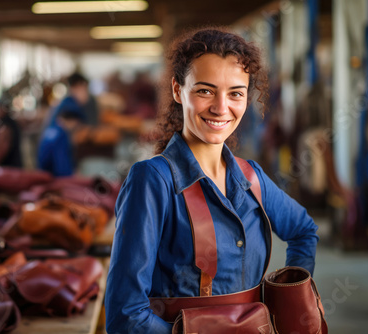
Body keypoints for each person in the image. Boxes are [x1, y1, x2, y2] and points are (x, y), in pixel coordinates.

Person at [104, 27, 320, 333]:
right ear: (178, 90)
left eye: (235, 93)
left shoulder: (251, 178)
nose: (221, 108)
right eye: (205, 90)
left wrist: (289, 305)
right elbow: (125, 315)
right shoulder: (152, 181)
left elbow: (304, 230)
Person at [37, 109, 83, 177]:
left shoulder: (51, 129)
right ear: (72, 121)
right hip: (52, 177)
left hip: (43, 173)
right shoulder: (61, 135)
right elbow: (62, 168)